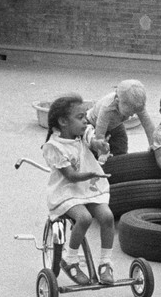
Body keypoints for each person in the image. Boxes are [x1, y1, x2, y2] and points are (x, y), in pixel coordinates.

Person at [43, 94, 114, 285]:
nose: (85, 121)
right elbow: (71, 176)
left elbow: (93, 140)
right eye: (80, 117)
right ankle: (70, 259)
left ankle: (105, 262)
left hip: (87, 189)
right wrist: (92, 174)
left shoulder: (83, 135)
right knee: (84, 218)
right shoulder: (54, 147)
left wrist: (101, 145)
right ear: (63, 121)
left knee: (107, 217)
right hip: (66, 191)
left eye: (85, 116)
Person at [86, 80, 155, 156]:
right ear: (117, 101)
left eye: (134, 113)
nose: (131, 116)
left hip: (115, 124)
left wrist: (154, 145)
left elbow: (148, 125)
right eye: (128, 113)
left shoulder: (136, 104)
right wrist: (102, 153)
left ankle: (120, 158)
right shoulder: (107, 108)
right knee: (95, 148)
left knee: (121, 143)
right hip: (94, 124)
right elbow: (100, 134)